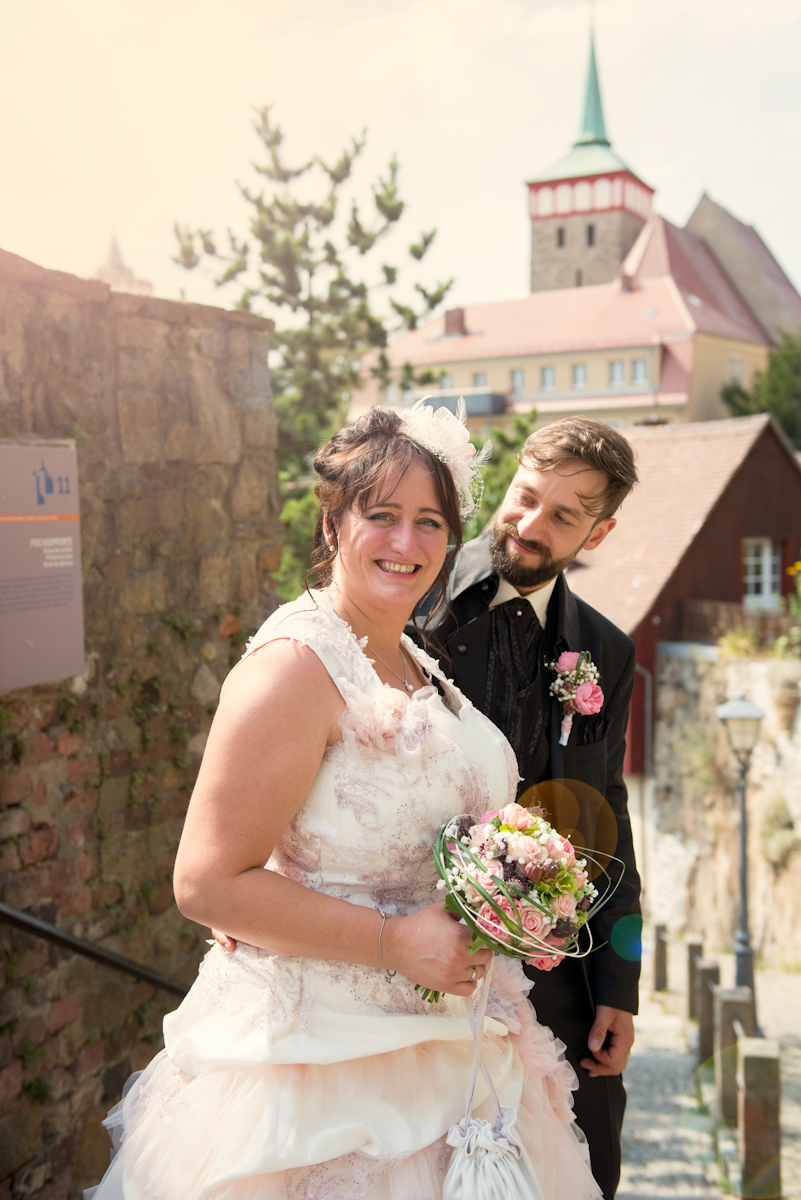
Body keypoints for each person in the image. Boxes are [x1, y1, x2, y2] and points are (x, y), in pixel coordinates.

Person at [85, 404, 601, 1200]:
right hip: (316, 1075)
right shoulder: (293, 665)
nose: (406, 543)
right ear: (332, 524)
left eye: (429, 522)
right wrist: (393, 942)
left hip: (458, 1058)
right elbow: (206, 883)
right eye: (382, 515)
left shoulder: (413, 661)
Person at [416, 417, 641, 1200]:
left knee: (584, 1169)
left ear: (598, 533)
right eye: (524, 496)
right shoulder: (411, 591)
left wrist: (620, 985)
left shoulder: (606, 652)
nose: (530, 524)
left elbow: (610, 814)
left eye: (564, 516)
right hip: (413, 956)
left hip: (554, 980)